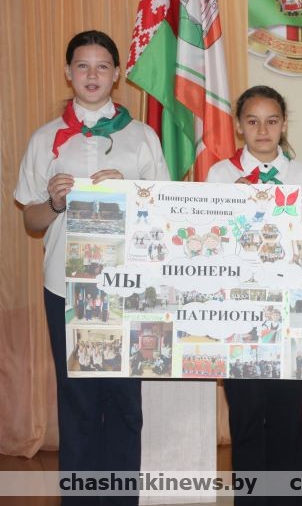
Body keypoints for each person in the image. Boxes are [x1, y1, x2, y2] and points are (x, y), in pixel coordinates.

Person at [14, 30, 170, 505]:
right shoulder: (45, 139)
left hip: (128, 288)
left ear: (117, 74)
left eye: (102, 66)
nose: (92, 75)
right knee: (78, 403)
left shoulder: (141, 137)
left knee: (124, 404)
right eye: (82, 66)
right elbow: (31, 220)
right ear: (68, 72)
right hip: (65, 288)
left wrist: (132, 193)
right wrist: (54, 203)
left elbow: (164, 214)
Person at [207, 85, 302, 506]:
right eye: (252, 121)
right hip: (239, 317)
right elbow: (209, 245)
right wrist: (230, 205)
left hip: (290, 317)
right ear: (239, 126)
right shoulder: (219, 176)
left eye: (271, 121)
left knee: (287, 416)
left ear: (284, 124)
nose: (262, 130)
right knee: (246, 415)